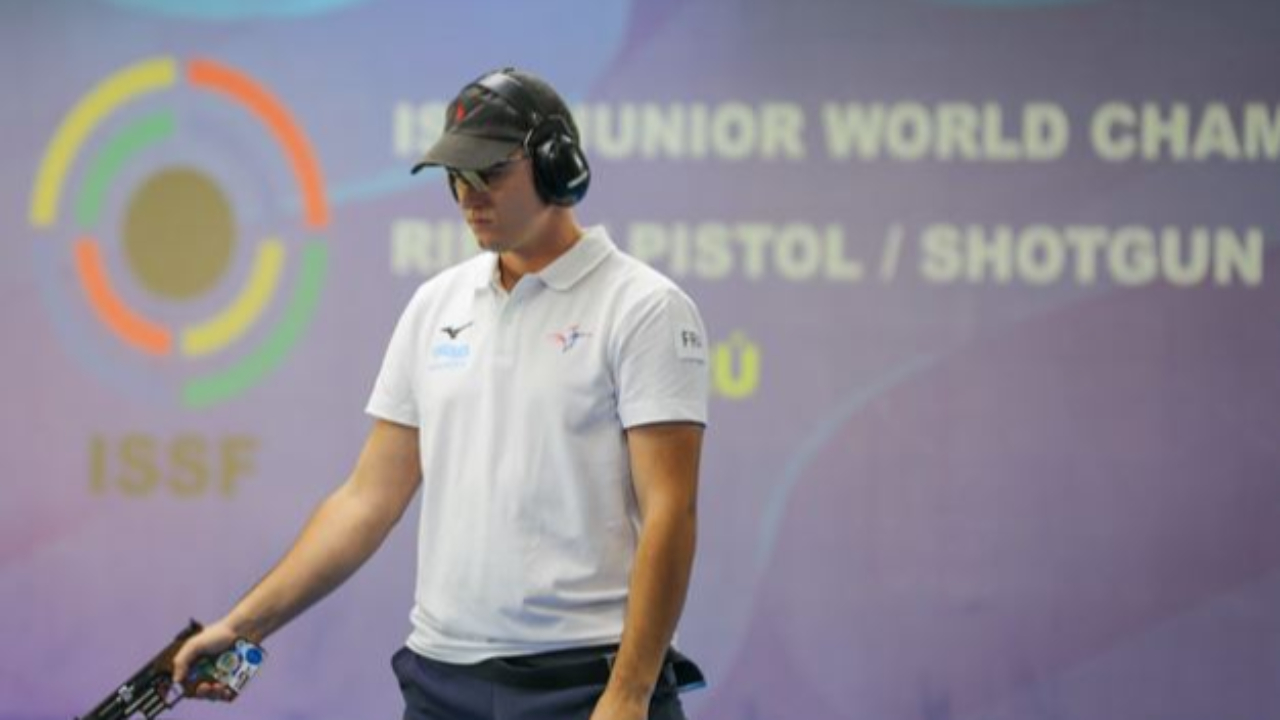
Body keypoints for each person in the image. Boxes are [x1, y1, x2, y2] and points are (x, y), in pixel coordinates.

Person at [172, 67, 710, 720]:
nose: (468, 195)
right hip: (441, 682)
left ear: (557, 166)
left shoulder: (645, 308)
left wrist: (629, 693)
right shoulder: (436, 305)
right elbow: (367, 499)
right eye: (456, 175)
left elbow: (670, 512)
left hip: (589, 683)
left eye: (490, 173)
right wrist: (245, 624)